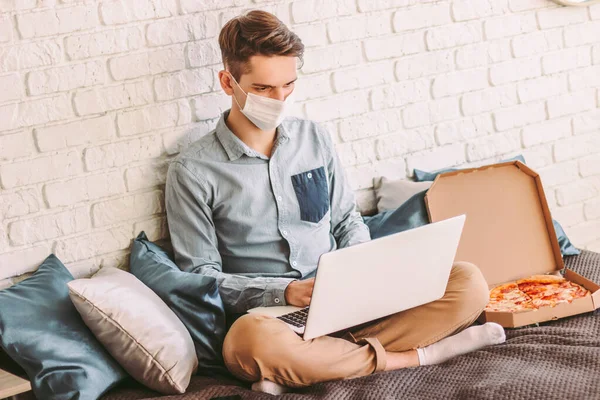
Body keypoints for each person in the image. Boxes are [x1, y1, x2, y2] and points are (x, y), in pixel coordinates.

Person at [165, 9, 506, 395]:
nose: (279, 100)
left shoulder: (315, 139)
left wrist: (363, 270)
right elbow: (200, 276)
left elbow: (346, 220)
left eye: (288, 85)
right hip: (275, 319)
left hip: (353, 303)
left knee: (468, 281)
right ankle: (417, 357)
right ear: (228, 82)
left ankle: (310, 367)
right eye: (263, 89)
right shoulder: (193, 171)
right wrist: (283, 292)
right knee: (247, 344)